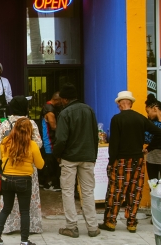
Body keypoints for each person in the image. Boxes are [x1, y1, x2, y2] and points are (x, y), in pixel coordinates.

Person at [99, 91, 161, 233]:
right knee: (134, 192)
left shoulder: (117, 119)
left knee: (116, 191)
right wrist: (148, 148)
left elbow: (114, 143)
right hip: (138, 159)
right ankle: (132, 223)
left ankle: (110, 222)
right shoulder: (140, 118)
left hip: (121, 160)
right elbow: (158, 133)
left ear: (120, 104)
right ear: (131, 104)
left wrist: (111, 161)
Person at [53, 83, 100, 238]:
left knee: (67, 191)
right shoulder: (89, 110)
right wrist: (94, 156)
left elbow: (61, 139)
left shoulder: (65, 113)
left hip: (69, 158)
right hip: (87, 157)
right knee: (87, 192)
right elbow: (95, 135)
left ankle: (72, 227)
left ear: (65, 99)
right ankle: (93, 227)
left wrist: (57, 154)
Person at [0, 118, 44, 245]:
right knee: (25, 211)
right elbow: (40, 165)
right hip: (24, 181)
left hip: (7, 179)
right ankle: (24, 241)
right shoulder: (32, 145)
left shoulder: (5, 142)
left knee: (6, 209)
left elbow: (3, 158)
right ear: (29, 130)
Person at [39, 91, 62, 191]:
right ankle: (48, 183)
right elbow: (54, 126)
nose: (62, 103)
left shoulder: (46, 106)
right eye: (60, 101)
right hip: (49, 140)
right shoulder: (50, 110)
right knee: (50, 162)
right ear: (56, 100)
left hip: (47, 140)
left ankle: (45, 182)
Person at [144, 94, 161, 180]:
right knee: (153, 187)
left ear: (154, 109)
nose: (148, 115)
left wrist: (149, 148)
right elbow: (146, 138)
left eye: (148, 112)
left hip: (154, 155)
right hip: (152, 159)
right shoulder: (150, 123)